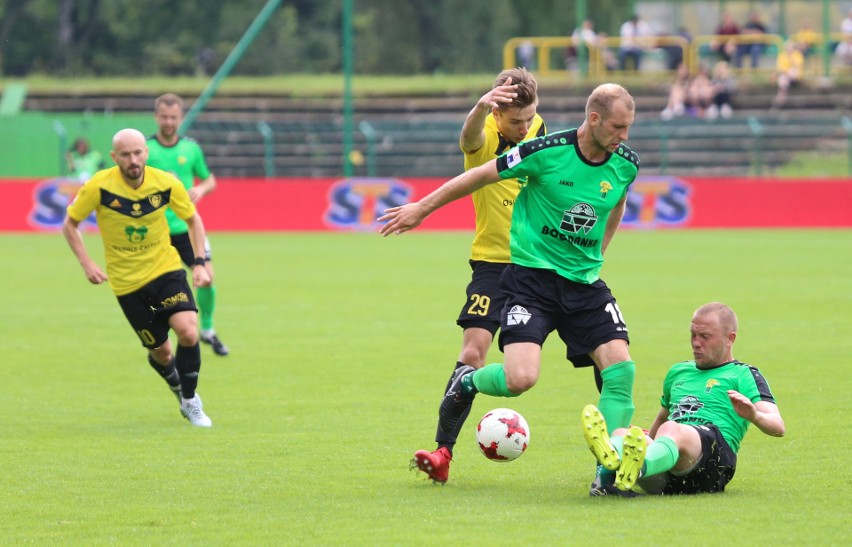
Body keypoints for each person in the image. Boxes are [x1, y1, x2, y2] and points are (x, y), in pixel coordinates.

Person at [381, 83, 640, 495]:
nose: (624, 136)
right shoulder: (544, 151)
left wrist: (601, 251)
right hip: (531, 280)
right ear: (593, 119)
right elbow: (478, 173)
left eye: (628, 127)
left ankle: (607, 474)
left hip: (585, 284)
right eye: (618, 127)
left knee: (620, 368)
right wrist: (422, 208)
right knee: (520, 379)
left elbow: (619, 201)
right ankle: (466, 384)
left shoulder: (626, 162)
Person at [408, 67, 547, 484]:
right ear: (497, 114)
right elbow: (469, 141)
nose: (525, 128)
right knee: (472, 353)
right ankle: (442, 452)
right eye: (515, 122)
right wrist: (479, 109)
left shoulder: (538, 126)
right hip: (492, 263)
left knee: (602, 348)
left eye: (529, 119)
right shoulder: (484, 134)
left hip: (541, 263)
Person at [61, 128, 214, 427]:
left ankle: (190, 400)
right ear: (114, 157)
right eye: (126, 154)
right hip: (127, 283)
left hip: (164, 269)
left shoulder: (166, 182)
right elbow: (70, 225)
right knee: (161, 351)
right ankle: (176, 387)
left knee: (187, 331)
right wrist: (87, 263)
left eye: (137, 152)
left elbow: (193, 220)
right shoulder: (99, 186)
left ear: (146, 152)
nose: (133, 160)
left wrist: (198, 263)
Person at [581, 302, 784, 495]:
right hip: (667, 471)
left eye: (705, 336)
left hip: (712, 466)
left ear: (730, 338)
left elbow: (778, 427)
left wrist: (754, 415)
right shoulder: (678, 371)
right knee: (623, 433)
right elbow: (662, 417)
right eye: (693, 335)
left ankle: (635, 465)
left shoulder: (743, 374)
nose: (696, 343)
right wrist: (647, 440)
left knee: (671, 429)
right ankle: (606, 478)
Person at [147, 93, 229, 356]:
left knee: (207, 277)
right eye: (164, 117)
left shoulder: (191, 149)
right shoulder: (145, 150)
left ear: (180, 118)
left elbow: (209, 180)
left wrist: (201, 190)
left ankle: (207, 330)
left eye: (173, 117)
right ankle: (161, 335)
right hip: (155, 232)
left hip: (187, 228)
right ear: (156, 117)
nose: (169, 122)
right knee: (152, 288)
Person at [772, 41, 805, 107]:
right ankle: (782, 95)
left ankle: (782, 95)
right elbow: (780, 68)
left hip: (795, 74)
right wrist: (787, 73)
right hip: (786, 75)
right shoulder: (782, 55)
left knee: (791, 72)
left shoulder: (797, 55)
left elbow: (798, 65)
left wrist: (791, 58)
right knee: (783, 77)